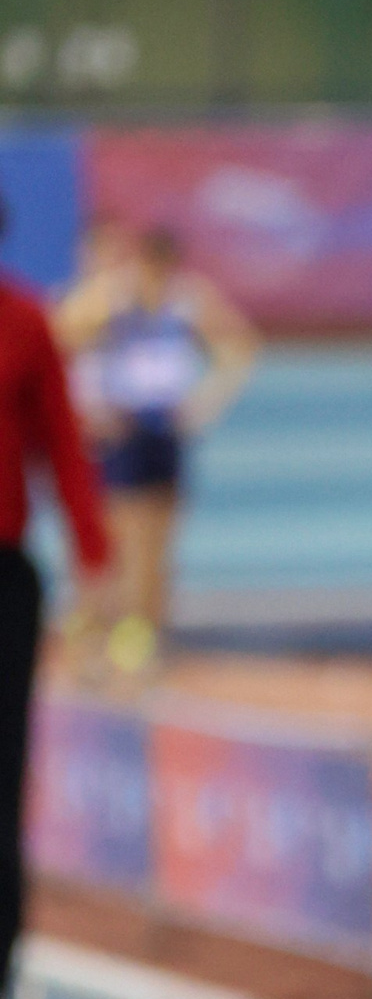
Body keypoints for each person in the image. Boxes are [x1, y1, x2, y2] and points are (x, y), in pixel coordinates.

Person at [0, 182, 111, 999]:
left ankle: (2, 970)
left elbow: (63, 447)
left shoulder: (27, 322)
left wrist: (95, 556)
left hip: (4, 577)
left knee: (4, 783)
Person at [54, 221, 256, 674]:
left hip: (163, 432)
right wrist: (87, 412)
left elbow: (239, 346)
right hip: (118, 435)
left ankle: (141, 635)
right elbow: (58, 342)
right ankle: (96, 631)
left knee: (157, 542)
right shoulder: (106, 300)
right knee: (116, 540)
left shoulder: (187, 299)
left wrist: (204, 403)